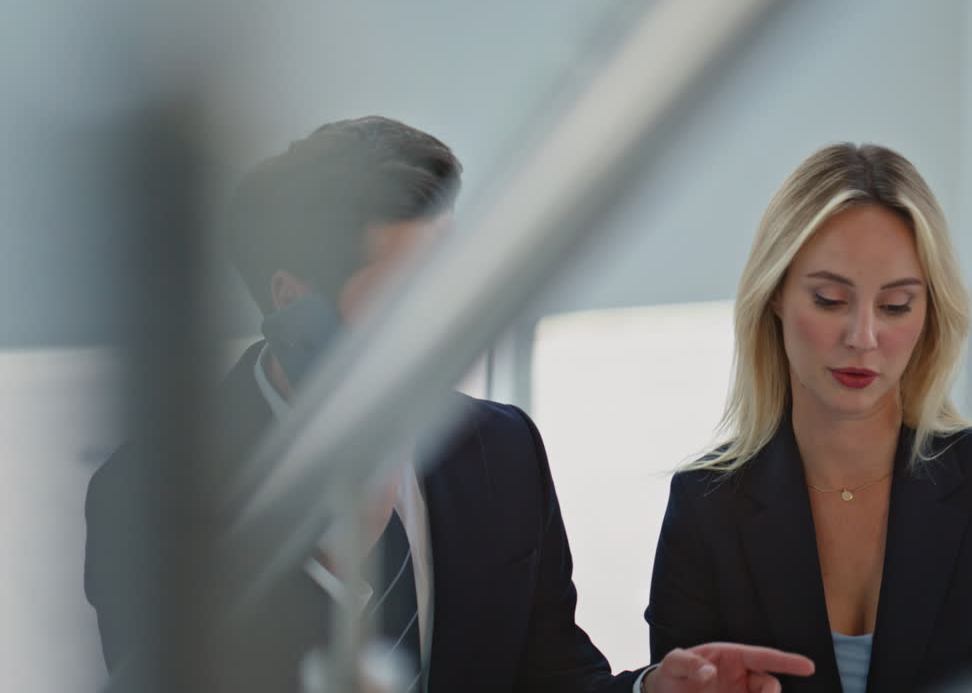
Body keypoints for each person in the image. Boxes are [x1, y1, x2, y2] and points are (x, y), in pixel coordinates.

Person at [84, 116, 814, 692]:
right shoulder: (151, 496)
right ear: (293, 302)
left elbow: (552, 678)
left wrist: (651, 692)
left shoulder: (498, 452)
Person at [645, 143, 972, 692]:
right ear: (774, 295)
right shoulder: (705, 506)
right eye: (828, 300)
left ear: (929, 314)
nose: (862, 338)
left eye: (895, 306)